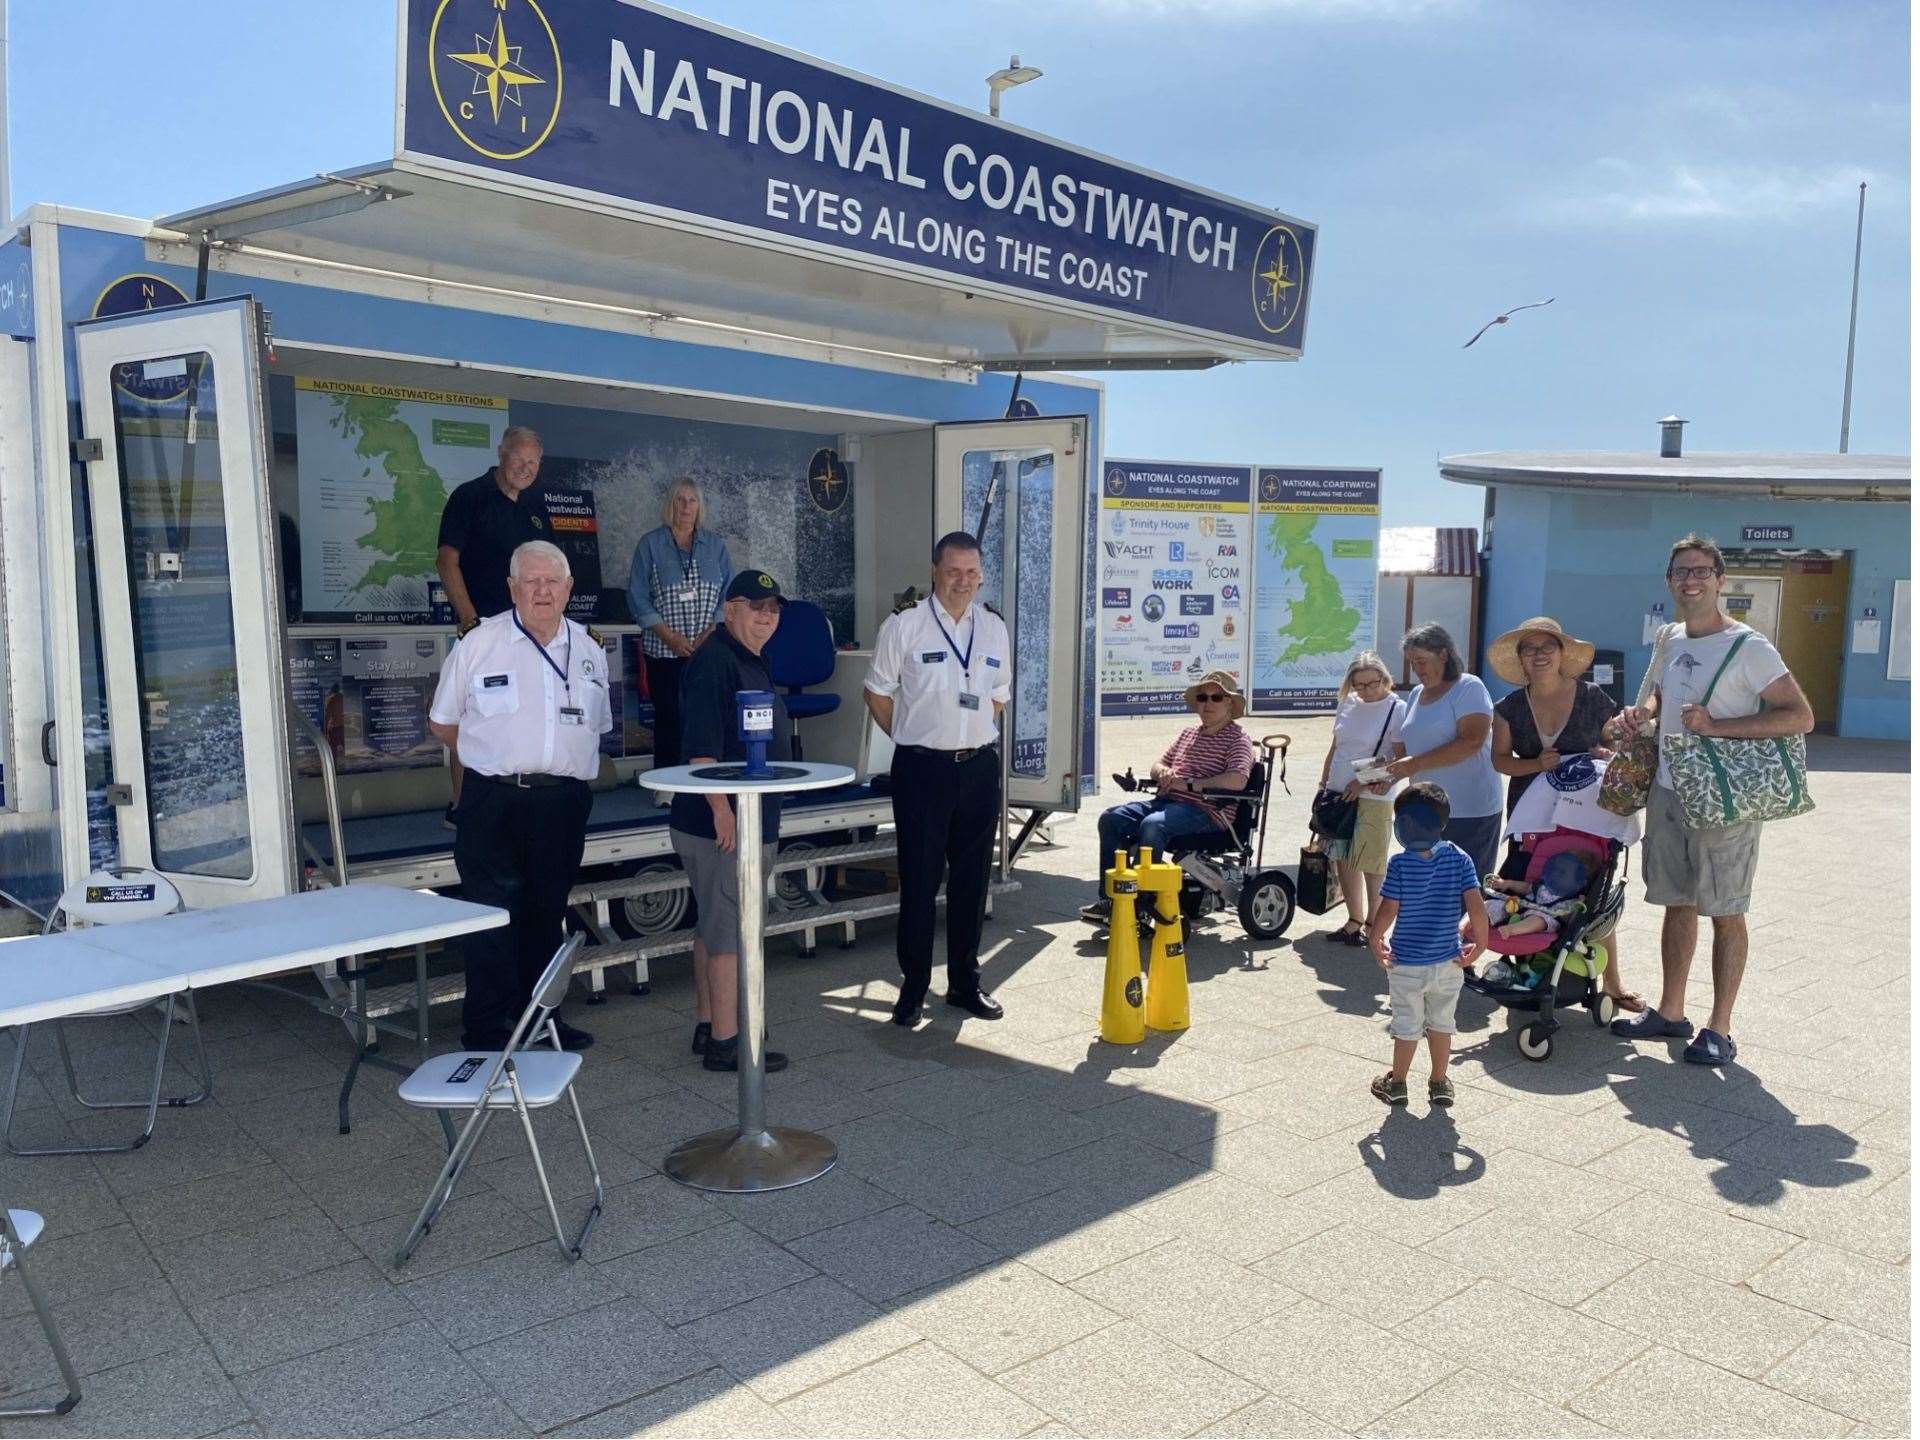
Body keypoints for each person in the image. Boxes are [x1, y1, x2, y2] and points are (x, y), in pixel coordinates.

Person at [1608, 534, 1814, 1067]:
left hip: (1724, 799)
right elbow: (1658, 695)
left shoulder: (1750, 647)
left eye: (1701, 571)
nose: (1690, 580)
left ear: (1720, 580)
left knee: (1726, 910)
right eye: (1680, 572)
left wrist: (1720, 727)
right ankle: (1671, 1013)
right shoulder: (1670, 637)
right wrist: (1643, 713)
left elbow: (1799, 716)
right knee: (1677, 902)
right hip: (1671, 790)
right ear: (1670, 581)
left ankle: (1720, 1027)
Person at [428, 540, 606, 1052]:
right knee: (490, 915)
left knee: (546, 913)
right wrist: (494, 751)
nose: (542, 590)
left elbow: (596, 727)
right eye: (531, 581)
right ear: (512, 588)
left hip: (563, 804)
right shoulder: (480, 644)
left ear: (569, 588)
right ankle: (486, 1030)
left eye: (552, 581)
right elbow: (444, 726)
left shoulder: (590, 651)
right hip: (494, 801)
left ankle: (541, 1021)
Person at [864, 532, 1011, 1027]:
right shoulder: (903, 627)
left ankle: (965, 984)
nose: (962, 582)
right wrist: (912, 736)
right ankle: (913, 988)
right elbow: (877, 693)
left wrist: (966, 735)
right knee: (921, 882)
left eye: (972, 573)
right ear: (934, 572)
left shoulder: (993, 628)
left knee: (972, 883)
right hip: (921, 770)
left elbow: (999, 694)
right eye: (953, 571)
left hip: (977, 769)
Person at [669, 569, 793, 1074]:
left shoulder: (750, 658)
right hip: (722, 826)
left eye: (773, 609)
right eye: (755, 607)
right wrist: (724, 813)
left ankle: (708, 1023)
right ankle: (728, 1041)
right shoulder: (716, 662)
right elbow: (702, 754)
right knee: (731, 934)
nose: (766, 617)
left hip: (743, 819)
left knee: (713, 926)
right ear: (729, 610)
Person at [1487, 616, 1643, 1014]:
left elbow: (1613, 742)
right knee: (1526, 888)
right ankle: (1528, 970)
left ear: (1561, 653)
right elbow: (1501, 761)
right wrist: (1537, 765)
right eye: (1530, 649)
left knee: (1592, 894)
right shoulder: (1507, 708)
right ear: (1520, 659)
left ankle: (1611, 983)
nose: (1539, 655)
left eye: (1547, 647)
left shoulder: (1592, 697)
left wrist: (1610, 752)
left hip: (1586, 814)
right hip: (1532, 812)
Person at [436, 426, 552, 822]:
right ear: (501, 453)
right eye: (519, 459)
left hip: (529, 636)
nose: (525, 468)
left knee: (520, 716)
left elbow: (548, 568)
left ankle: (507, 800)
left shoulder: (536, 505)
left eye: (533, 462)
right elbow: (446, 561)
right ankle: (461, 806)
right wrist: (471, 624)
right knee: (471, 721)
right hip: (483, 630)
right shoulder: (470, 496)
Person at [1079, 672, 1254, 927]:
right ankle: (1111, 900)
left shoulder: (1238, 739)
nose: (1207, 703)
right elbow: (1158, 763)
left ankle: (1139, 901)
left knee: (1153, 825)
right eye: (1203, 697)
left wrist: (1192, 784)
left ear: (1230, 703)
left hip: (1206, 810)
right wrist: (1162, 772)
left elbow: (1238, 779)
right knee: (1111, 819)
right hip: (1169, 802)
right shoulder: (1188, 734)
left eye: (1216, 697)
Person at [1368, 782, 1488, 1108]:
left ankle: (1398, 1083)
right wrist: (1481, 943)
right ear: (1442, 823)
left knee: (1406, 1024)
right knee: (1442, 1024)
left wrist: (1374, 937)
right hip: (1448, 961)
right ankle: (1439, 1083)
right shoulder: (1460, 859)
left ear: (1402, 825)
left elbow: (1388, 908)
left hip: (1406, 962)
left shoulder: (1401, 864)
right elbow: (1476, 905)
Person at [628, 478, 733, 776]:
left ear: (700, 507)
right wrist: (670, 637)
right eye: (680, 500)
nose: (686, 506)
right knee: (670, 718)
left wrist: (710, 632)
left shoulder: (715, 546)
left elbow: (729, 595)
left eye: (692, 501)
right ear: (670, 505)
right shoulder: (650, 544)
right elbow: (637, 596)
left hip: (707, 650)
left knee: (707, 718)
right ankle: (666, 785)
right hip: (664, 650)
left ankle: (705, 781)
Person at [1383, 623, 1503, 880]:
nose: (1417, 669)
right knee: (1429, 890)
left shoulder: (1469, 687)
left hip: (1470, 811)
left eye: (1422, 661)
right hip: (1425, 811)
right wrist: (1388, 776)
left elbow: (1471, 741)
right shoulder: (1415, 694)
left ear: (1444, 654)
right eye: (1412, 663)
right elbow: (1411, 750)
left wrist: (1414, 764)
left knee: (1466, 892)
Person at [1315, 652, 1404, 945]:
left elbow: (1398, 757)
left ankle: (1373, 925)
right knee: (1343, 858)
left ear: (1385, 679)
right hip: (1338, 792)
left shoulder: (1397, 708)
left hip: (1374, 795)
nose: (1366, 691)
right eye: (1359, 685)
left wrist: (1361, 782)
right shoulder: (1347, 703)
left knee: (1371, 861)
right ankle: (1353, 920)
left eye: (1372, 684)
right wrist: (1323, 782)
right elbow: (1335, 747)